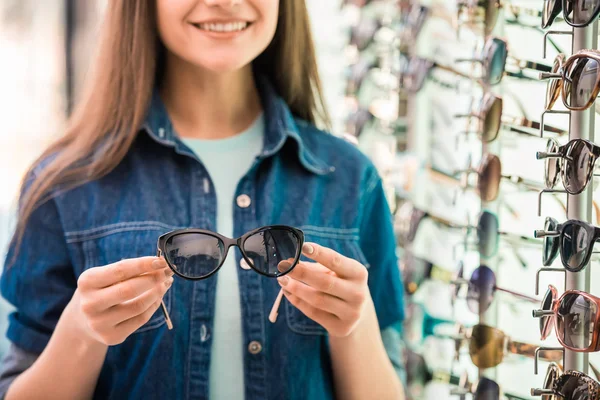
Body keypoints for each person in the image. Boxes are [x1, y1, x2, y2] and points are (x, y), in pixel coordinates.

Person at [0, 0, 406, 399]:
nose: (224, 2)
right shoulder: (64, 184)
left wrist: (355, 326)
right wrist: (82, 332)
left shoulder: (352, 180)